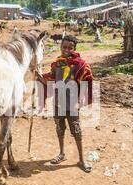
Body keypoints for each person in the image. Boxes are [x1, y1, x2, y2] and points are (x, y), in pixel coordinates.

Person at [37, 35, 94, 173]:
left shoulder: (80, 65)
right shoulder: (57, 64)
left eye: (70, 47)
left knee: (76, 130)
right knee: (60, 128)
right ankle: (62, 154)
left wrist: (81, 102)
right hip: (58, 102)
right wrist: (38, 77)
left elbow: (86, 83)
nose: (66, 50)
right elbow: (50, 79)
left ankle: (82, 159)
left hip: (72, 104)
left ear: (74, 49)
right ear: (60, 47)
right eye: (64, 47)